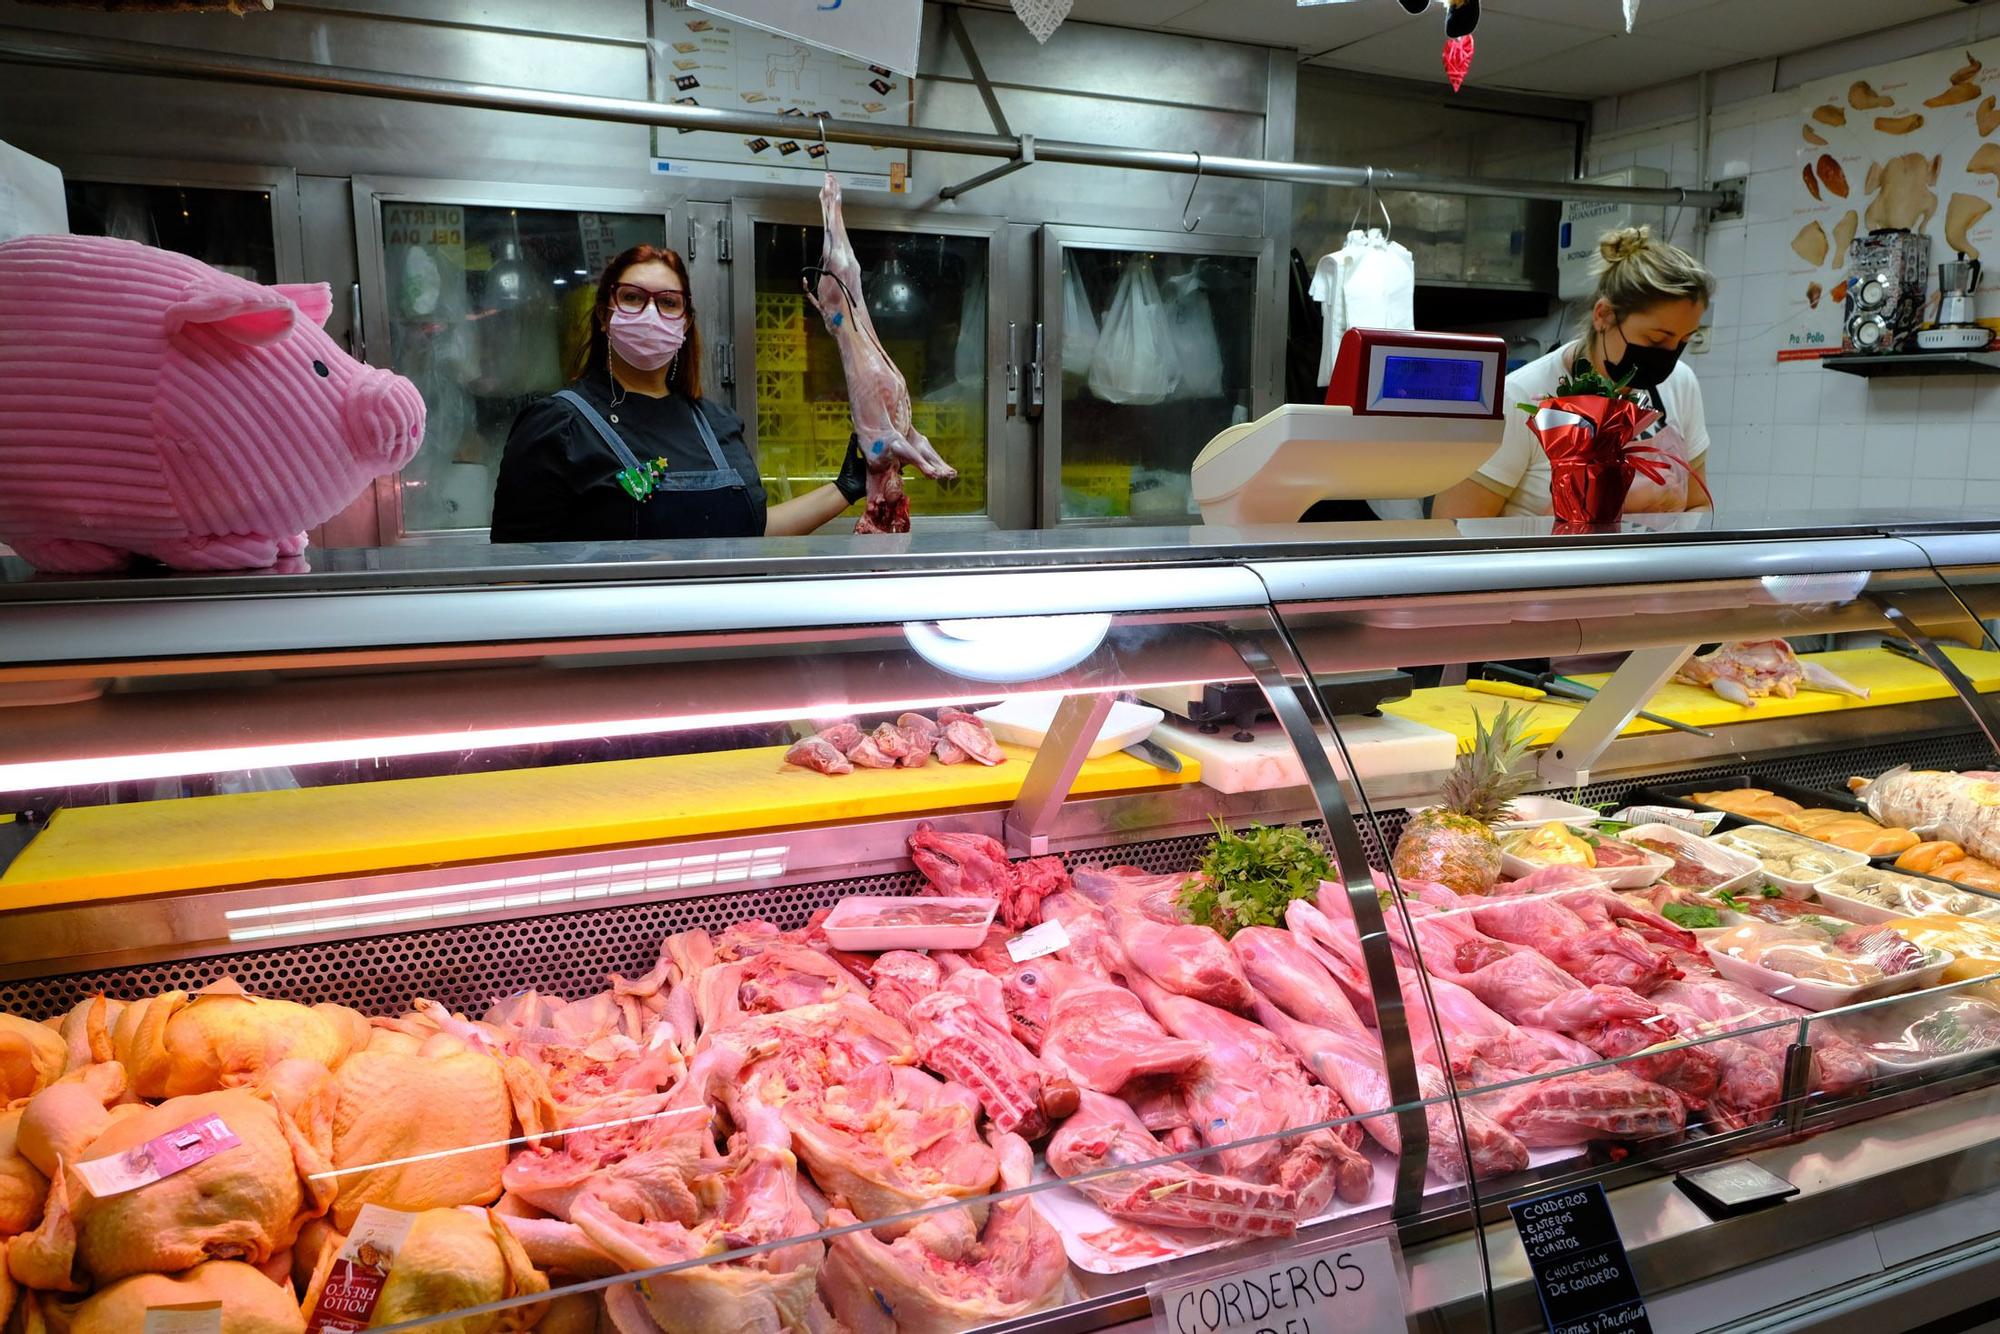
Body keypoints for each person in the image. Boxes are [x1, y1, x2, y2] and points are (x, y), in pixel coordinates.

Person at [492, 243, 869, 543]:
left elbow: (750, 532)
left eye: (668, 302)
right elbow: (516, 574)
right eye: (633, 297)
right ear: (606, 315)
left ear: (685, 322)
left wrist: (846, 488)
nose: (651, 313)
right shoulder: (557, 425)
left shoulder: (717, 425)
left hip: (718, 633)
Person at [1434, 226, 1715, 520]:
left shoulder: (1680, 384)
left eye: (1683, 341)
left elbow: (1698, 505)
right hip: (1542, 565)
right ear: (1603, 315)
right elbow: (1452, 528)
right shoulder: (1516, 398)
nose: (1668, 354)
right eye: (1656, 340)